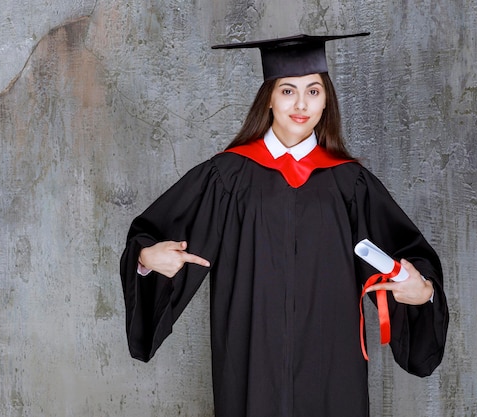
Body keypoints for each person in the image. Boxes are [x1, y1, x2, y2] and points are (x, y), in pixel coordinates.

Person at [120, 33, 449, 417]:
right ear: (269, 99)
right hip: (251, 358)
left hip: (332, 362)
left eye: (313, 91)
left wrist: (422, 290)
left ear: (326, 101)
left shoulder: (349, 184)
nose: (301, 104)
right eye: (288, 91)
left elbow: (409, 256)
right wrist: (146, 258)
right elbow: (152, 235)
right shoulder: (228, 177)